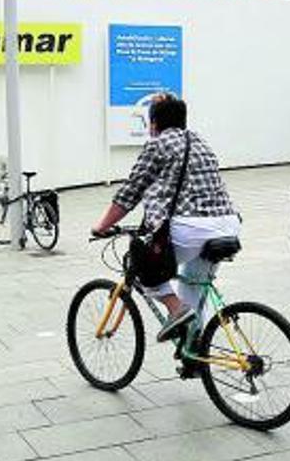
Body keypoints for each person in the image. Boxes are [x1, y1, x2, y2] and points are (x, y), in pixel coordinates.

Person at [92, 94, 240, 347]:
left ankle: (175, 309)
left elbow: (131, 192)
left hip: (191, 229)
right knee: (194, 285)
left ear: (153, 124)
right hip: (228, 226)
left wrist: (101, 226)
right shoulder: (199, 141)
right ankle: (194, 350)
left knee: (140, 264)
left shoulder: (158, 144)